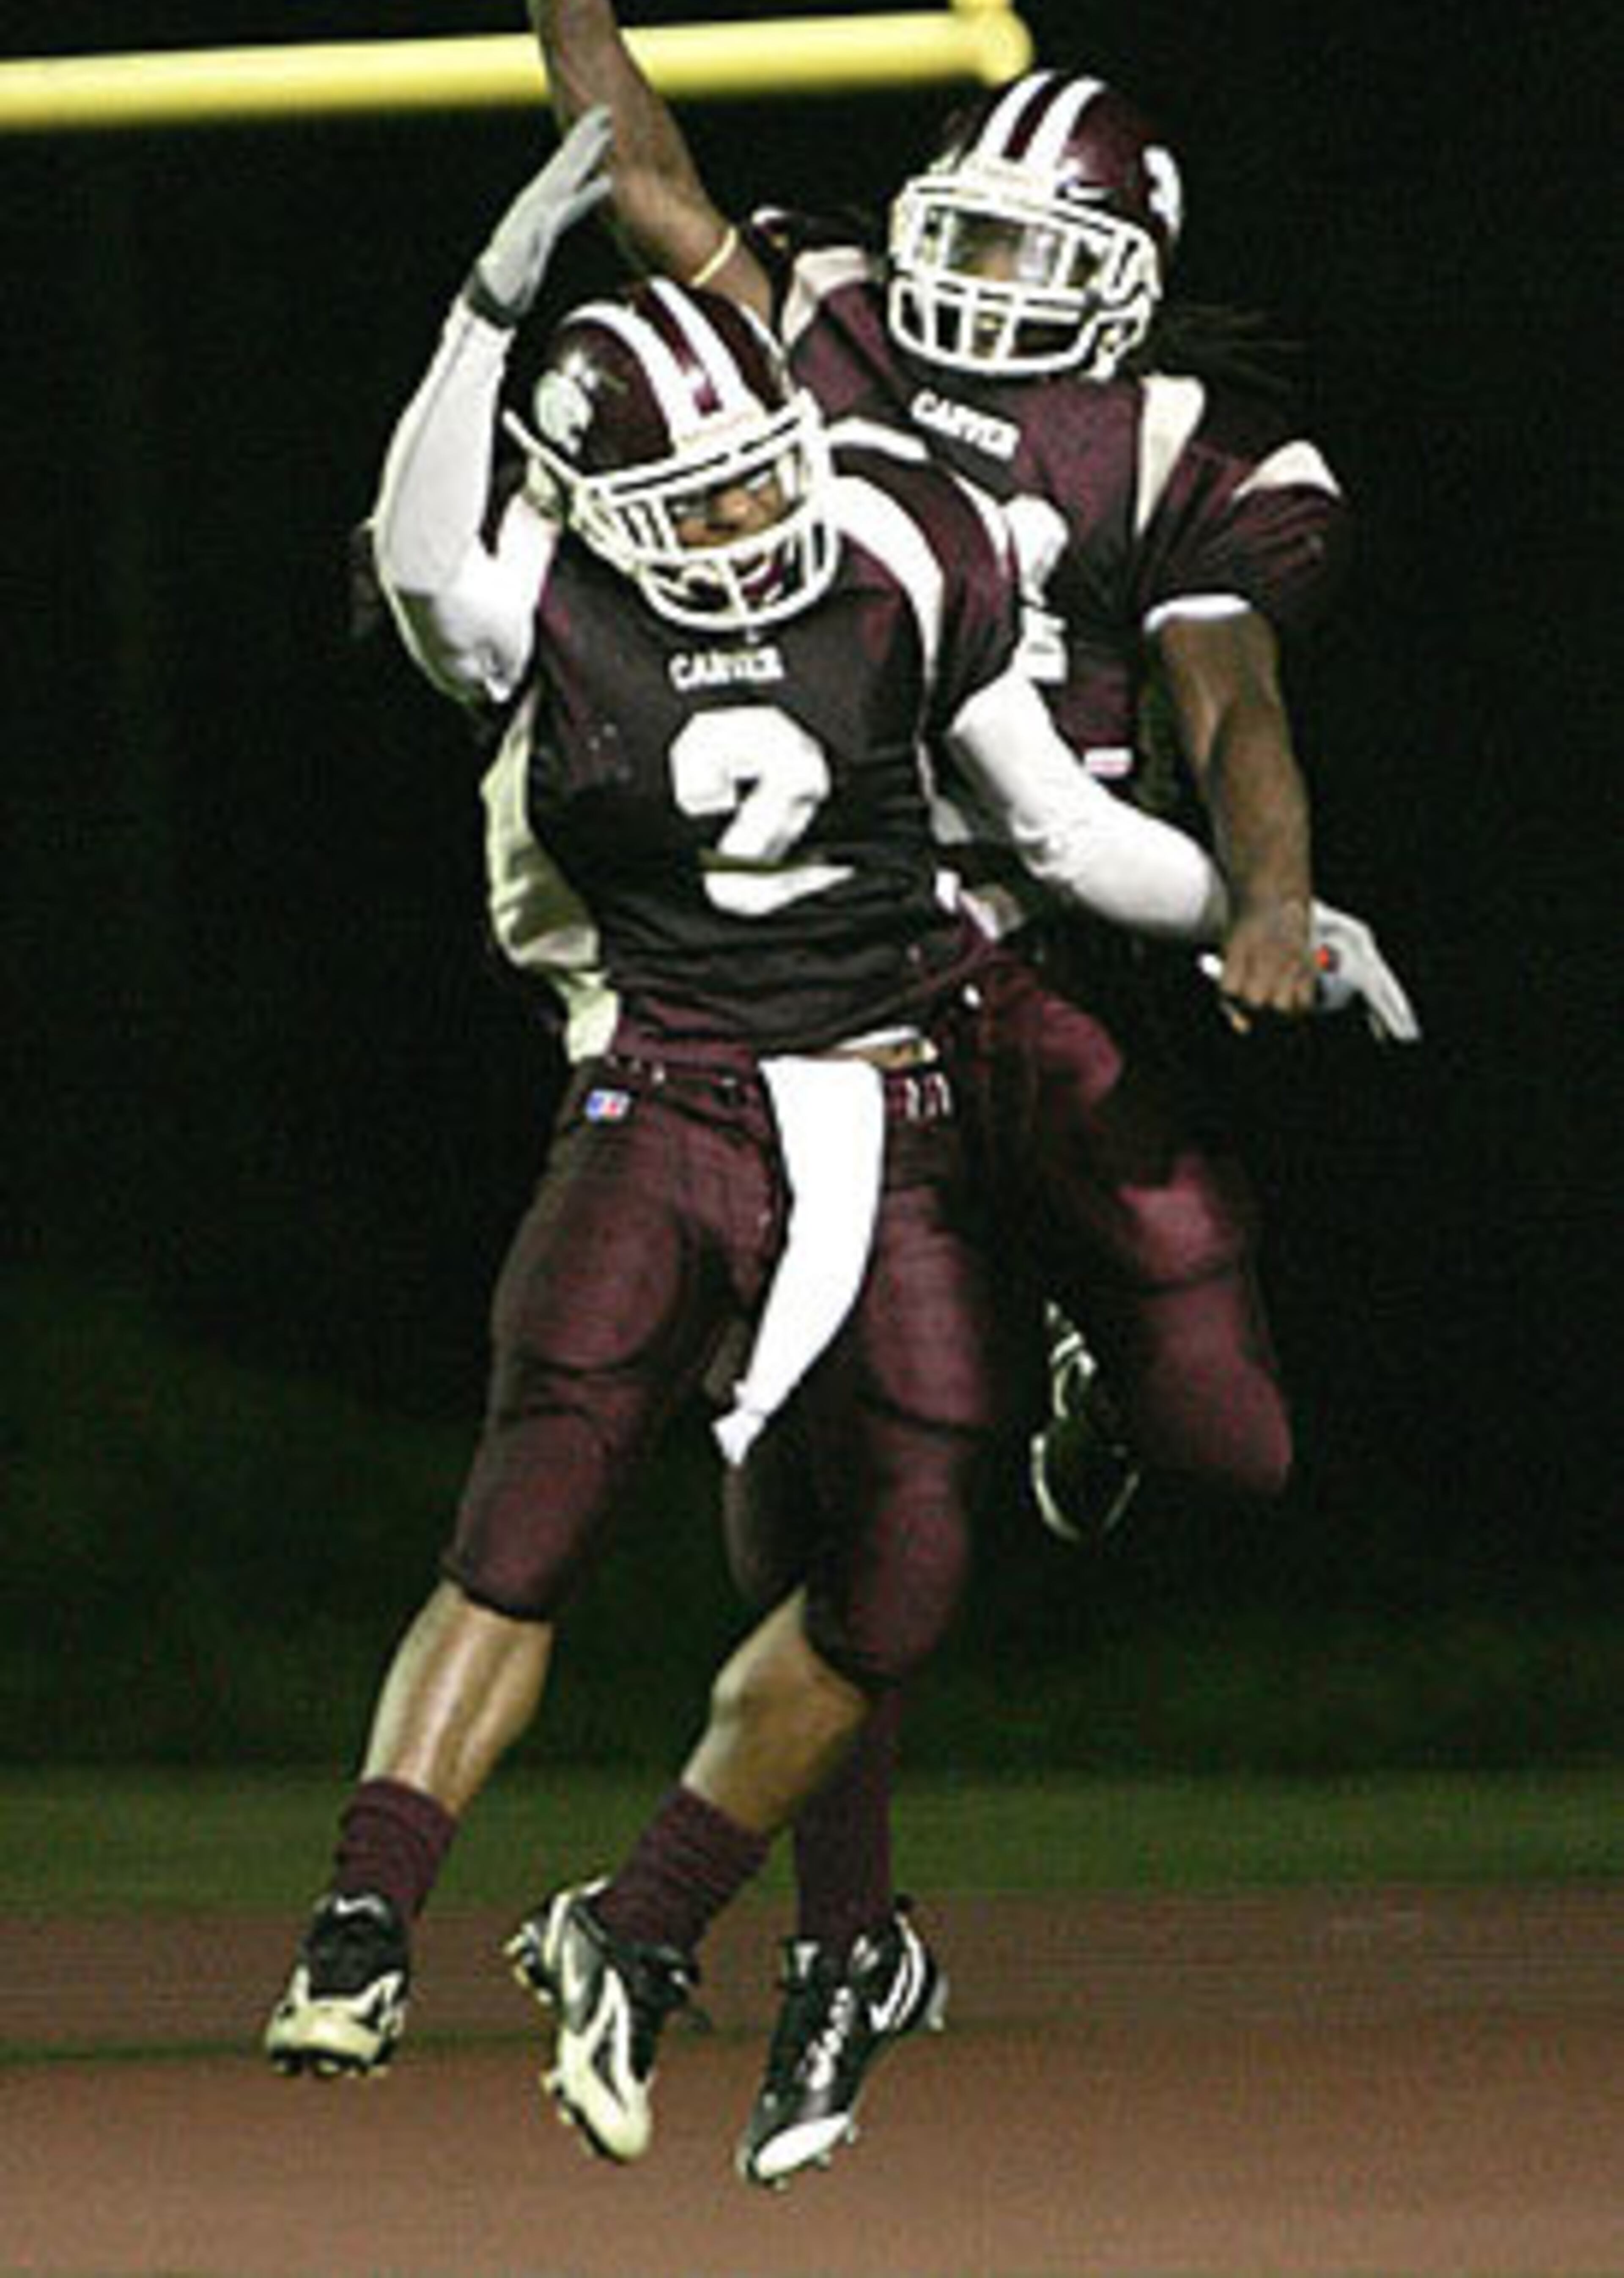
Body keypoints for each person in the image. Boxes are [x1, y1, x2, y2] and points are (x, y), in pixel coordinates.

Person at [457, 0, 1421, 2186]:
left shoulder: (1191, 448)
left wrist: (1274, 896)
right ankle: (838, 1940)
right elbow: (655, 185)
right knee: (818, 1494)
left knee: (1234, 1435)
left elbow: (1232, 716)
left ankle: (1096, 1371)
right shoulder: (844, 320)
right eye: (953, 238)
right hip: (835, 984)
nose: (971, 288)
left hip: (1055, 952)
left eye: (1030, 248)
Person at [262, 110, 1267, 2173]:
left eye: (758, 469)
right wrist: (486, 290)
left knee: (896, 1557)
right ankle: (391, 1915)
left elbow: (1063, 828)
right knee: (565, 1516)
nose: (739, 517)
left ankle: (639, 1925)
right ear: (582, 511)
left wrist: (1273, 908)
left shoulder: (893, 535)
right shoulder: (523, 601)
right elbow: (432, 536)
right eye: (689, 492)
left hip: (887, 1093)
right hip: (661, 1086)